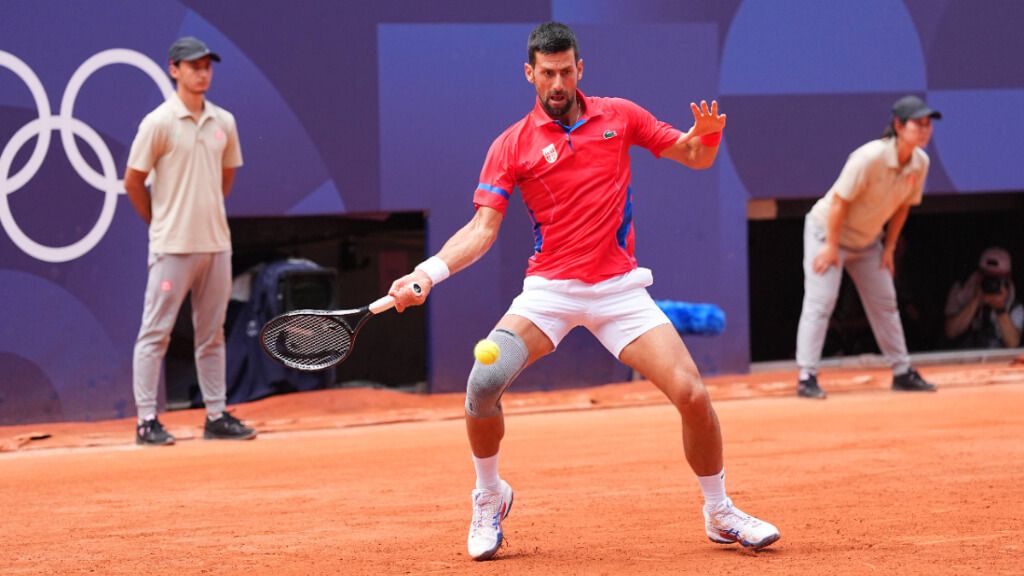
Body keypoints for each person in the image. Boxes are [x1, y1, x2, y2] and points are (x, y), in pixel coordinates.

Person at [386, 22, 779, 561]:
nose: (557, 83)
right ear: (529, 73)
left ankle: (719, 510)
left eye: (566, 71)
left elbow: (695, 156)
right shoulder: (511, 145)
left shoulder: (620, 115)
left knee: (692, 394)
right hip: (550, 291)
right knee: (483, 383)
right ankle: (490, 495)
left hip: (619, 289)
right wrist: (427, 274)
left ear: (580, 69)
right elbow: (481, 230)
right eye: (547, 73)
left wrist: (706, 135)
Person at [124, 37, 256, 445]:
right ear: (174, 69)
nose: (202, 73)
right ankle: (147, 421)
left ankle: (215, 415)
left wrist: (206, 212)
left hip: (216, 245)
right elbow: (133, 181)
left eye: (206, 66)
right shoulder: (158, 123)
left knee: (212, 334)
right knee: (155, 332)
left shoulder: (224, 122)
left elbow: (226, 177)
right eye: (193, 66)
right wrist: (160, 222)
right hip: (172, 247)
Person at [794, 95, 941, 399]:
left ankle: (902, 372)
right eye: (918, 124)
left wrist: (889, 249)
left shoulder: (920, 163)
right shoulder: (868, 157)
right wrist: (831, 247)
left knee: (886, 302)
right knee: (821, 302)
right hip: (827, 233)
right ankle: (807, 376)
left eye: (928, 124)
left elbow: (903, 207)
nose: (925, 130)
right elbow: (839, 202)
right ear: (898, 125)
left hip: (867, 241)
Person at [944, 247, 1023, 349]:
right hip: (965, 355)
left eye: (997, 278)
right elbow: (950, 332)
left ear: (1008, 278)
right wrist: (975, 300)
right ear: (979, 275)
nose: (991, 283)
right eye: (987, 277)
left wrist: (1000, 308)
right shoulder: (961, 291)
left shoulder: (1015, 304)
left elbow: (1013, 343)